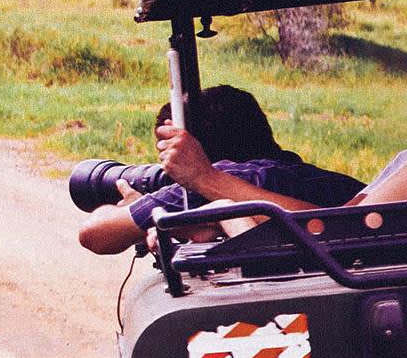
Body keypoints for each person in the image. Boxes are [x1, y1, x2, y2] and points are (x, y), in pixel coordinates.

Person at [78, 85, 365, 255]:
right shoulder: (314, 178)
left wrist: (142, 207)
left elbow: (94, 234)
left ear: (195, 152)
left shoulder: (222, 178)